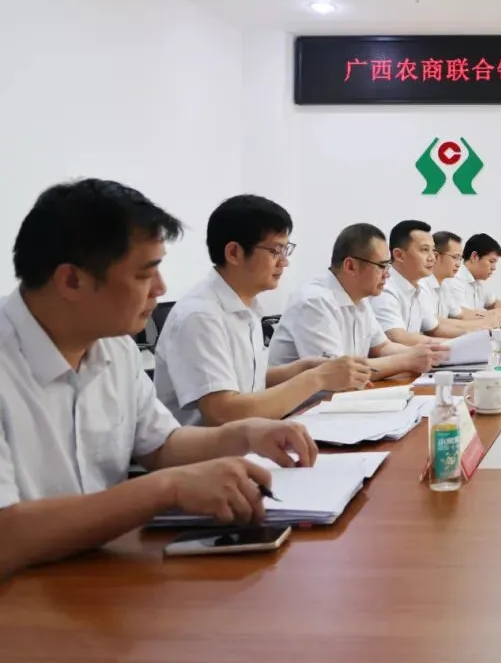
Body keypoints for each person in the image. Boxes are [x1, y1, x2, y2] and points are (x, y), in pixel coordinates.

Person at [0, 179, 318, 580]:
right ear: (72, 281)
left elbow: (161, 445)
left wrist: (245, 435)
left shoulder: (114, 347)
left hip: (99, 573)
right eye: (144, 274)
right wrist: (166, 489)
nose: (161, 288)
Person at [154, 195, 370, 426]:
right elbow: (223, 412)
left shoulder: (244, 306)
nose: (284, 262)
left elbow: (246, 381)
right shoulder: (200, 316)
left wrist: (302, 368)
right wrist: (316, 378)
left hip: (251, 438)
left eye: (286, 250)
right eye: (275, 251)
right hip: (212, 447)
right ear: (234, 253)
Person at [268, 223, 448, 379]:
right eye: (382, 266)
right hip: (305, 405)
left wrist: (426, 354)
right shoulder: (315, 301)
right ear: (350, 266)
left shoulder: (360, 299)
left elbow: (382, 347)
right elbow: (337, 374)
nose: (387, 274)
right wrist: (407, 360)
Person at [369, 220, 476, 345]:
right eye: (425, 250)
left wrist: (473, 335)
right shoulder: (385, 287)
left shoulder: (418, 287)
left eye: (433, 251)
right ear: (399, 255)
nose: (432, 258)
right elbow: (398, 338)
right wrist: (459, 344)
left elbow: (435, 328)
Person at [442, 233, 501, 320]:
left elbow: (493, 303)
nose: (494, 268)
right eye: (491, 261)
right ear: (475, 257)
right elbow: (462, 316)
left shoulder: (477, 281)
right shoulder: (454, 279)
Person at [428, 231, 501, 327]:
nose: (458, 264)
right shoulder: (425, 285)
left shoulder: (444, 285)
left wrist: (491, 317)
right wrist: (487, 321)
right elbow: (436, 326)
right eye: (455, 257)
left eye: (459, 258)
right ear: (436, 257)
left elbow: (461, 313)